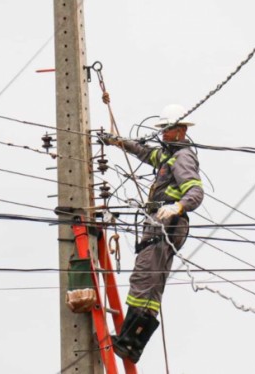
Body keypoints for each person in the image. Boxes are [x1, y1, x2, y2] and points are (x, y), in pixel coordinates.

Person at [101, 104, 204, 363]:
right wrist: (117, 142)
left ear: (181, 130)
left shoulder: (183, 157)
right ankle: (131, 343)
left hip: (167, 224)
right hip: (163, 223)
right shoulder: (168, 156)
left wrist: (177, 207)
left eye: (167, 130)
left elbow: (195, 192)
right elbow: (144, 153)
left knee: (144, 278)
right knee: (150, 285)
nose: (163, 135)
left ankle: (129, 341)